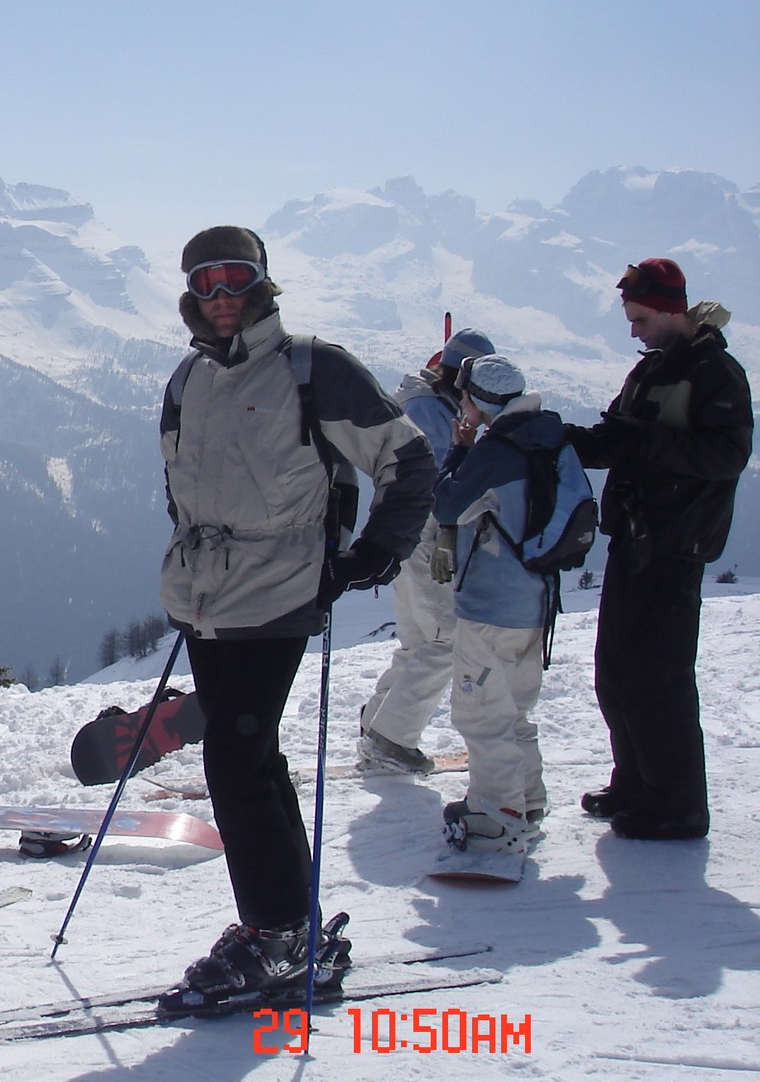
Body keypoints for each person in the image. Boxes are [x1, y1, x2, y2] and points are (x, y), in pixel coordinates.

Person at [156, 226, 434, 1008]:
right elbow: (182, 488)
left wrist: (376, 551)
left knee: (234, 763)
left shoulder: (316, 369)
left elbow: (407, 461)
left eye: (233, 279)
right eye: (204, 282)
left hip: (279, 591)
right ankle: (288, 925)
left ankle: (275, 935)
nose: (219, 298)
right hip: (208, 594)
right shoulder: (187, 379)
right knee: (252, 758)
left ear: (262, 283)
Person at [564, 258, 751, 841]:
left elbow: (726, 456)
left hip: (675, 544)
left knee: (659, 676)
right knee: (617, 670)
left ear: (671, 310)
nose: (633, 330)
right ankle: (636, 785)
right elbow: (621, 444)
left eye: (640, 317)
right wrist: (559, 440)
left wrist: (642, 442)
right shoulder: (651, 371)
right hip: (636, 536)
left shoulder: (716, 373)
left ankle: (678, 805)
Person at [429, 354, 560, 855]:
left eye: (465, 395)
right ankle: (526, 799)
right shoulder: (548, 436)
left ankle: (496, 816)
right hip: (536, 600)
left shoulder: (497, 449)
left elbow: (446, 504)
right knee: (514, 710)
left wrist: (459, 452)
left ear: (478, 399)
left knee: (482, 713)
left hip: (490, 605)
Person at [359, 327, 496, 772]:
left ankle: (378, 722)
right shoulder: (430, 411)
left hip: (404, 530)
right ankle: (390, 736)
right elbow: (445, 480)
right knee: (446, 639)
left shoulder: (421, 401)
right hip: (427, 534)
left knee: (421, 639)